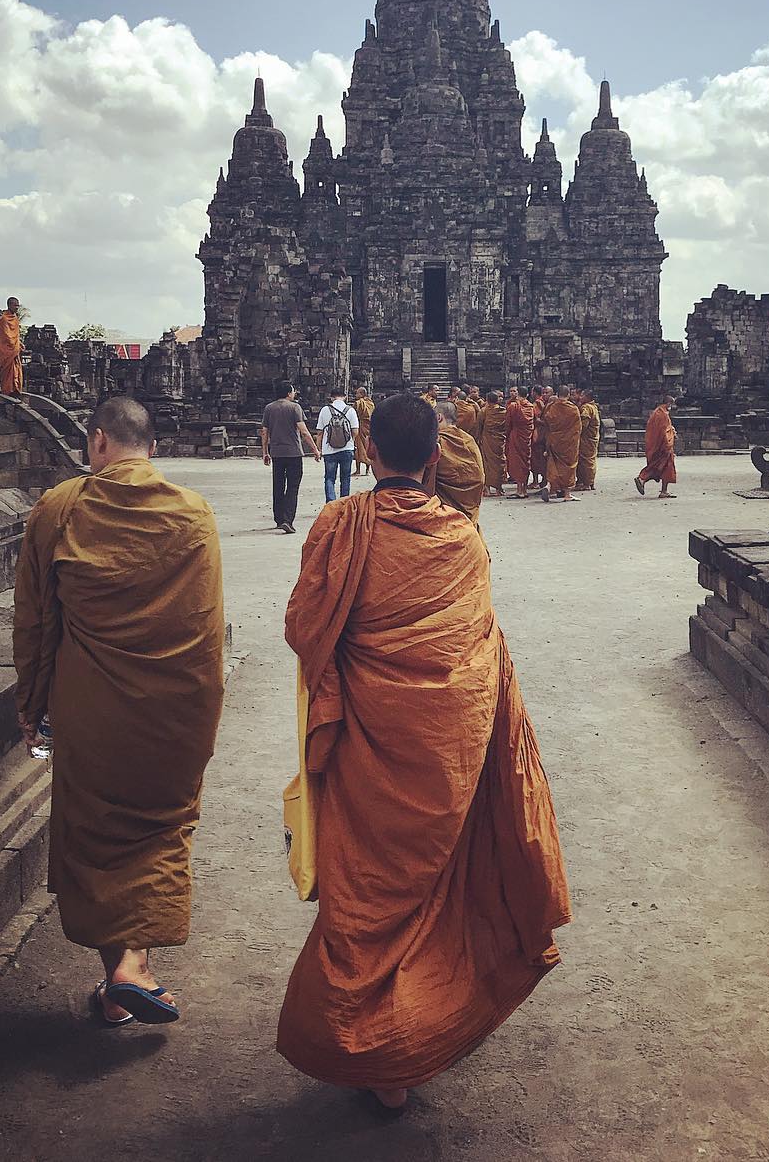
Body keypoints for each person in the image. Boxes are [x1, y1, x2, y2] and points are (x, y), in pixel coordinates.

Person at [277, 392, 570, 1110]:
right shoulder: (462, 540)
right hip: (443, 751)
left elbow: (303, 626)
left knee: (365, 892)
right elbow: (477, 656)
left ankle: (375, 1044)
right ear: (435, 458)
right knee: (432, 891)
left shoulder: (337, 526)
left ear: (368, 451)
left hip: (364, 750)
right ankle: (413, 1033)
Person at [13, 396, 225, 1027]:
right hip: (176, 714)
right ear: (151, 449)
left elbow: (36, 625)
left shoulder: (60, 508)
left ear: (99, 442)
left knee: (97, 833)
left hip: (91, 712)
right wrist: (203, 714)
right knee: (159, 829)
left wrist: (34, 708)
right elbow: (208, 628)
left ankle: (120, 973)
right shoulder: (194, 514)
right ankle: (135, 966)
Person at [261, 383, 321, 534]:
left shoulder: (269, 408)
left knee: (278, 486)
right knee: (293, 487)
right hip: (294, 453)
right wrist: (315, 450)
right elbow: (304, 431)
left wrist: (265, 452)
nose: (294, 394)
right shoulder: (294, 407)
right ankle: (288, 520)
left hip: (276, 452)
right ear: (289, 393)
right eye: (293, 391)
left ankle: (279, 519)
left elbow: (264, 432)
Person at [425, 400, 485, 527]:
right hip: (469, 506)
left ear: (438, 417)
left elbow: (425, 476)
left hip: (445, 511)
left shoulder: (438, 442)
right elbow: (479, 476)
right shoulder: (469, 440)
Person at [315, 389, 359, 502]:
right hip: (347, 449)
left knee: (329, 478)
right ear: (344, 397)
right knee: (345, 478)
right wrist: (351, 441)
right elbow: (355, 431)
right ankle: (344, 503)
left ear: (331, 397)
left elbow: (319, 432)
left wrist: (318, 449)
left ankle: (331, 503)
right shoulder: (351, 410)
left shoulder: (325, 410)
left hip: (329, 450)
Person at [539, 387, 581, 503]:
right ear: (568, 395)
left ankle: (548, 486)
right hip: (569, 442)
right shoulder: (573, 409)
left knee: (553, 464)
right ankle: (567, 494)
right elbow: (578, 427)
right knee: (569, 466)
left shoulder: (552, 407)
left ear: (557, 394)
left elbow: (546, 421)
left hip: (554, 441)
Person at [635, 395, 678, 499]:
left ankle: (664, 491)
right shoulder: (662, 414)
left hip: (656, 444)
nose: (672, 407)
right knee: (658, 467)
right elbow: (664, 432)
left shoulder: (657, 412)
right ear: (668, 403)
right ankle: (642, 478)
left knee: (664, 468)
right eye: (671, 404)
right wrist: (671, 436)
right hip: (663, 446)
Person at [476, 390, 508, 497]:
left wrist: (478, 438)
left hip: (487, 440)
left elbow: (479, 427)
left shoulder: (483, 411)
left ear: (487, 400)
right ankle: (499, 488)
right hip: (499, 441)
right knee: (500, 463)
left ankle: (487, 489)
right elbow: (506, 426)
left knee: (487, 464)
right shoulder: (503, 412)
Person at [505, 388, 535, 498]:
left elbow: (508, 423)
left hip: (516, 434)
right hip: (526, 436)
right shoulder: (531, 407)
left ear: (518, 395)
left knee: (517, 462)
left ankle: (519, 490)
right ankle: (525, 490)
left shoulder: (513, 406)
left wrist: (507, 434)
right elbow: (532, 422)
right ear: (527, 395)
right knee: (525, 461)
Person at [0, 296, 25, 396]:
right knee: (8, 370)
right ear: (9, 305)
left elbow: (15, 335)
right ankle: (8, 390)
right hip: (7, 350)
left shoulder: (16, 319)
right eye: (15, 305)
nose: (17, 308)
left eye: (18, 306)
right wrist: (14, 345)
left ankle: (15, 388)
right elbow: (6, 336)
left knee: (16, 369)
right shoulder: (3, 319)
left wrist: (19, 343)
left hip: (14, 350)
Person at [576, 389, 601, 492]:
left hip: (586, 438)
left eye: (582, 395)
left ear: (587, 397)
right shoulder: (594, 407)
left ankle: (586, 483)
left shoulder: (586, 408)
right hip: (593, 438)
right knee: (590, 460)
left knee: (586, 461)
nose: (579, 397)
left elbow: (583, 425)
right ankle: (589, 482)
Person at [352, 387, 375, 478]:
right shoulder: (371, 404)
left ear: (362, 394)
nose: (356, 395)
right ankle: (367, 470)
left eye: (357, 393)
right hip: (369, 428)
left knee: (358, 447)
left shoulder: (358, 403)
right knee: (366, 446)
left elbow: (354, 413)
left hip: (360, 426)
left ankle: (358, 470)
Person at [530, 385, 548, 489]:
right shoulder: (545, 403)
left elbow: (536, 418)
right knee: (541, 458)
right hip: (543, 433)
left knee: (536, 458)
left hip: (538, 432)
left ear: (534, 393)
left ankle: (536, 481)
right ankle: (544, 479)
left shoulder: (537, 403)